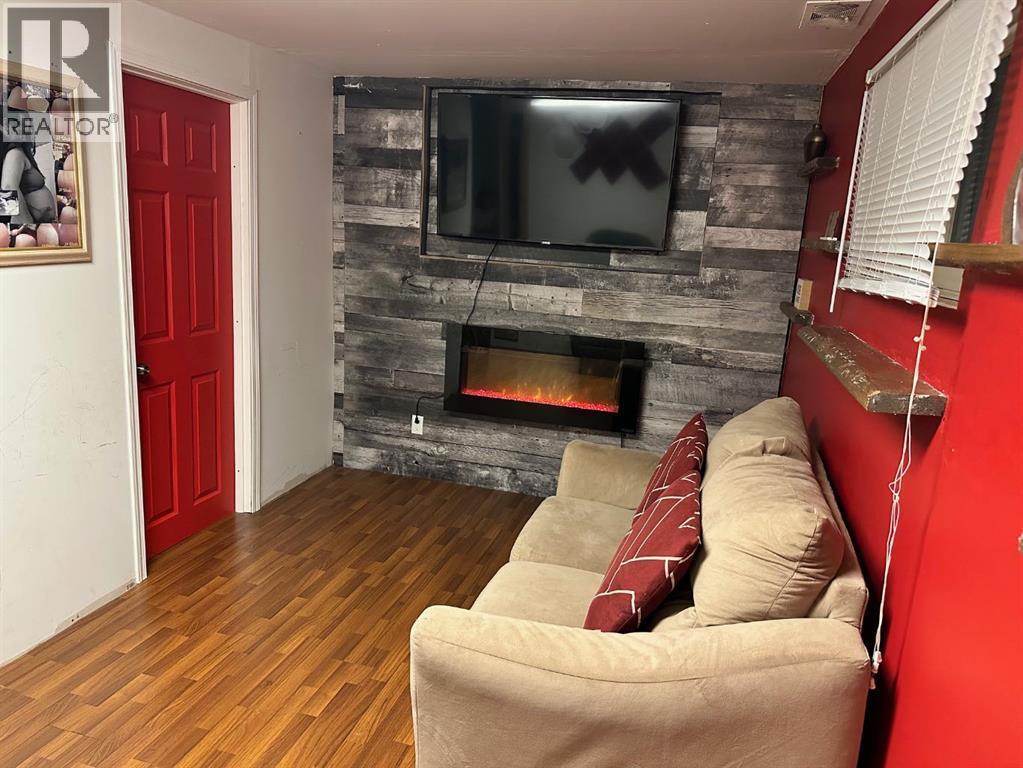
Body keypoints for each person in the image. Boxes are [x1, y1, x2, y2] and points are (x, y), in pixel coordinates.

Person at [0, 138, 57, 224]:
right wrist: (26, 223)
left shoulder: (20, 152)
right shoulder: (14, 153)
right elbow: (7, 187)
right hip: (30, 225)